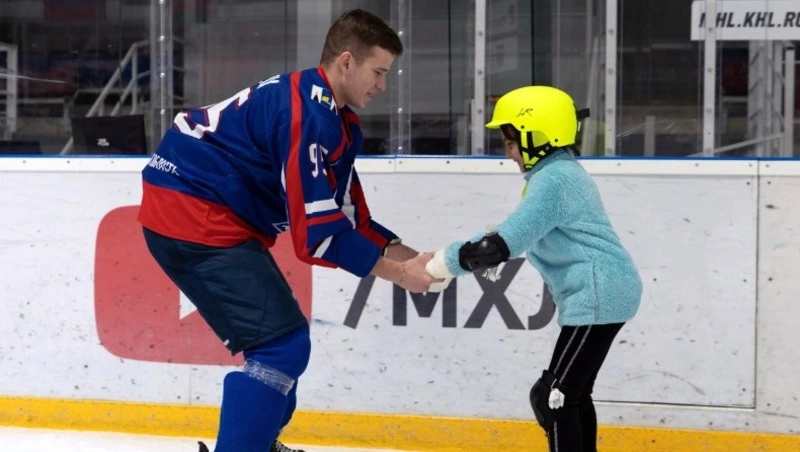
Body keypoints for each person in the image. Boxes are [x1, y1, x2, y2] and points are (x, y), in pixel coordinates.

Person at [138, 9, 441, 452]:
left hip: (200, 207)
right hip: (191, 211)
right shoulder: (308, 117)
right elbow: (316, 236)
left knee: (284, 339)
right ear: (346, 62)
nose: (382, 86)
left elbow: (350, 218)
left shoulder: (331, 115)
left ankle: (258, 443)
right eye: (377, 72)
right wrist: (398, 275)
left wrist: (418, 260)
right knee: (281, 347)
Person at [425, 85, 642, 452]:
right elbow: (511, 231)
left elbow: (500, 245)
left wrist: (443, 265)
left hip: (598, 294)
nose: (508, 152)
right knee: (568, 396)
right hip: (601, 293)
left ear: (538, 136)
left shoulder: (555, 180)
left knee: (554, 399)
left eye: (511, 142)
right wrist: (448, 258)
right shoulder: (555, 174)